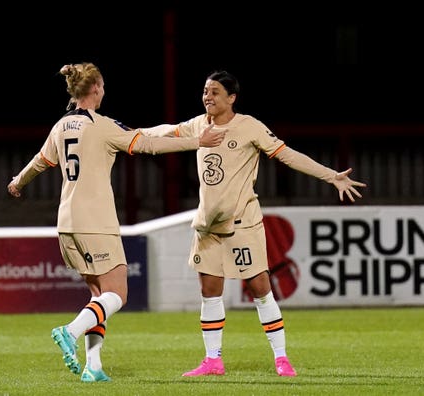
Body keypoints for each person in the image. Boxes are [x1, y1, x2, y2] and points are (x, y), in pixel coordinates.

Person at [7, 62, 226, 382]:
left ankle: (93, 367)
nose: (104, 91)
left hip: (66, 223)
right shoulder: (102, 125)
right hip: (95, 222)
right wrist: (198, 142)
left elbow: (41, 162)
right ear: (95, 88)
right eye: (103, 86)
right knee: (118, 294)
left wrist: (17, 182)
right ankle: (69, 332)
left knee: (99, 296)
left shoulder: (62, 125)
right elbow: (148, 143)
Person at [140, 70, 367, 378]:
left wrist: (330, 176)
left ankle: (281, 357)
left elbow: (287, 155)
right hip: (208, 225)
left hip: (242, 223)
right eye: (206, 91)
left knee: (260, 287)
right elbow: (165, 131)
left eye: (215, 92)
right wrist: (127, 133)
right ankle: (212, 360)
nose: (208, 96)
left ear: (232, 98)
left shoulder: (249, 127)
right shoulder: (197, 126)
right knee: (209, 290)